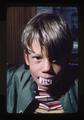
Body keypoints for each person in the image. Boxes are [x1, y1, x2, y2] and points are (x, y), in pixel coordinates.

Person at [7, 12, 78, 113]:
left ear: (66, 59)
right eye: (37, 58)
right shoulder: (13, 80)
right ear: (27, 58)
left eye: (56, 60)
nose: (46, 68)